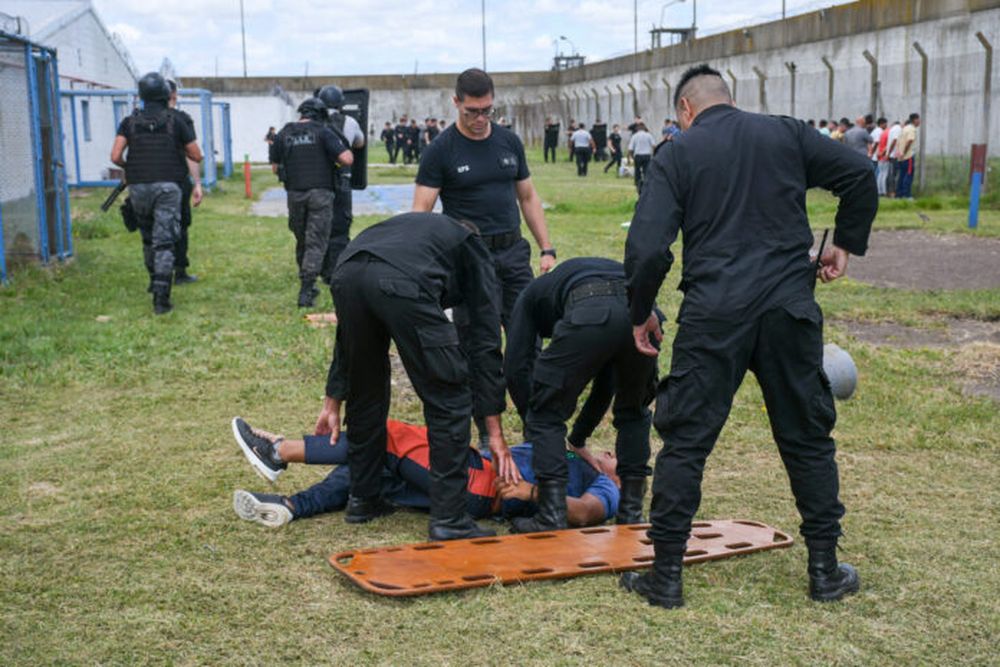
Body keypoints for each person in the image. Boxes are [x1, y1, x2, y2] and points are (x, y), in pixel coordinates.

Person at [621, 64, 877, 609]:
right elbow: (859, 173)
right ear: (728, 99)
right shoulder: (785, 133)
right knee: (806, 435)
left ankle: (665, 575)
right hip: (789, 307)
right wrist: (844, 244)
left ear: (685, 110)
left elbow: (647, 248)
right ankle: (825, 570)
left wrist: (641, 310)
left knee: (686, 439)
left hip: (715, 312)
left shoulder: (679, 152)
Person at [318, 212, 520, 541]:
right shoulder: (473, 248)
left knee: (366, 389)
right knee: (450, 396)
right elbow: (485, 341)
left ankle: (363, 498)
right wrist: (494, 433)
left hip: (347, 272)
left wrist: (334, 398)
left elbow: (347, 344)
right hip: (401, 281)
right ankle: (450, 518)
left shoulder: (413, 233)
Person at [412, 68, 556, 447]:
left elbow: (527, 197)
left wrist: (546, 247)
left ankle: (535, 424)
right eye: (472, 111)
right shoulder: (440, 150)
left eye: (487, 111)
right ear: (456, 103)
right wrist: (419, 265)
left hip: (513, 255)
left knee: (528, 342)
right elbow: (421, 213)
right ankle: (488, 429)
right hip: (470, 261)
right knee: (481, 346)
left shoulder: (509, 142)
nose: (479, 120)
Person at [230, 417, 620, 529]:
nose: (608, 452)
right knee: (368, 467)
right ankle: (289, 506)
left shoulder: (605, 484)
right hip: (469, 473)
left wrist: (532, 494)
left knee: (388, 436)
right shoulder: (571, 455)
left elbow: (587, 513)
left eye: (618, 456)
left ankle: (278, 451)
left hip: (481, 486)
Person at [502, 258, 659, 533]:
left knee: (545, 414)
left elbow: (515, 367)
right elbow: (606, 382)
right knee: (634, 412)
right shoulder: (568, 282)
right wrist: (577, 440)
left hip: (591, 308)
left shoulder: (529, 297)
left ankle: (551, 515)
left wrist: (536, 424)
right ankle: (631, 514)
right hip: (644, 313)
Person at [110, 72, 203, 314]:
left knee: (148, 237)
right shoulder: (176, 121)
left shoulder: (130, 122)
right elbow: (196, 154)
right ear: (166, 94)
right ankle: (162, 299)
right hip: (168, 187)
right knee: (164, 241)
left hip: (138, 186)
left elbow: (115, 156)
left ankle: (154, 282)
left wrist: (131, 166)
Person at [268, 97, 353, 308]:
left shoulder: (284, 133)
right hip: (320, 194)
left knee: (302, 237)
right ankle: (306, 289)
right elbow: (347, 159)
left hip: (294, 194)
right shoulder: (323, 131)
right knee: (317, 239)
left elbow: (275, 167)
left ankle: (305, 277)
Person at [317, 85, 367, 294]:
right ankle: (335, 270)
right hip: (343, 179)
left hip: (319, 180)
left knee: (318, 225)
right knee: (340, 225)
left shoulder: (314, 122)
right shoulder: (351, 122)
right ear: (340, 103)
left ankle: (318, 267)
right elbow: (360, 143)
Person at [166, 79, 203, 285]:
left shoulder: (137, 119)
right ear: (174, 95)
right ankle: (179, 271)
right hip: (177, 181)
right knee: (180, 226)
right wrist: (197, 183)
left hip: (148, 180)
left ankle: (157, 275)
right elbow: (192, 155)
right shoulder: (180, 119)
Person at [896, 113, 920, 200]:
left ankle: (899, 194)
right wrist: (904, 152)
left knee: (901, 175)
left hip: (901, 157)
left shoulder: (904, 128)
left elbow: (898, 141)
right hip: (908, 156)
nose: (919, 121)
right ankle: (906, 195)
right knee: (908, 175)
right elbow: (909, 141)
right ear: (915, 120)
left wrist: (899, 152)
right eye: (918, 119)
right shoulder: (912, 129)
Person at [627, 122, 656, 194]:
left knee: (637, 170)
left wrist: (629, 157)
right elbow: (654, 145)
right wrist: (654, 154)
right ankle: (646, 183)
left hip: (638, 156)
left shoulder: (634, 136)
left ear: (637, 129)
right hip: (647, 155)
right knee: (646, 170)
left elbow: (630, 148)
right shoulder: (649, 135)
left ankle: (638, 184)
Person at [885, 118, 902, 197]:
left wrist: (888, 152)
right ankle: (894, 192)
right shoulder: (898, 129)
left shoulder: (892, 129)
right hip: (895, 155)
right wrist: (889, 152)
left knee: (891, 174)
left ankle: (891, 192)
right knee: (895, 175)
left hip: (892, 155)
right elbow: (895, 140)